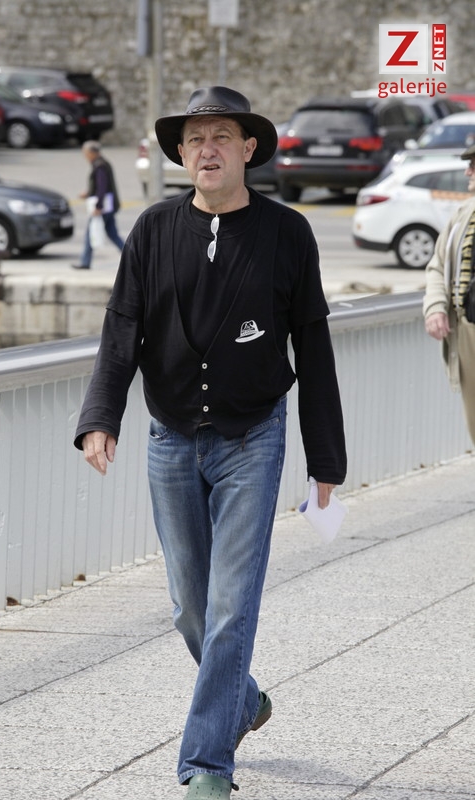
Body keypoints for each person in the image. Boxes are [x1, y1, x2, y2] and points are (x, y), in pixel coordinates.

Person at [74, 86, 347, 799]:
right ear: (181, 153)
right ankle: (242, 700)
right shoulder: (153, 230)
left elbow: (314, 347)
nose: (207, 149)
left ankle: (206, 765)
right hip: (169, 438)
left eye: (221, 136)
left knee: (231, 606)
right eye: (195, 139)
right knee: (189, 608)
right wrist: (101, 416)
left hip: (253, 438)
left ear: (248, 148)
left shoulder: (288, 233)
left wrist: (326, 460)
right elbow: (121, 328)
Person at [423, 143, 475, 445]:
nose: (468, 172)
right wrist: (435, 308)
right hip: (467, 330)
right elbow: (438, 265)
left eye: (473, 165)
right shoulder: (464, 214)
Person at [72, 140, 124, 269]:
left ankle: (85, 262)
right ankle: (132, 255)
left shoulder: (100, 166)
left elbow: (102, 188)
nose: (85, 156)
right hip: (109, 206)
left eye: (86, 153)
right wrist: (88, 192)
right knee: (113, 234)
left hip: (104, 207)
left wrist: (98, 206)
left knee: (90, 233)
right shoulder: (102, 163)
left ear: (92, 153)